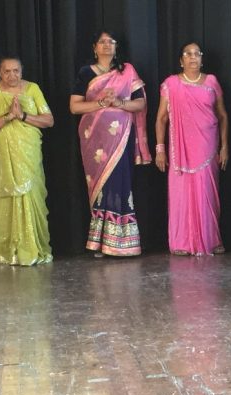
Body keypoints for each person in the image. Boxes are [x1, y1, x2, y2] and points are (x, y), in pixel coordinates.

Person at [70, 30, 151, 257]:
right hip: (94, 141)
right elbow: (75, 107)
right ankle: (101, 243)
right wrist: (100, 104)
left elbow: (140, 104)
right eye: (102, 42)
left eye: (111, 42)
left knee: (121, 183)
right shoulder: (86, 73)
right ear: (94, 47)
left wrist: (118, 102)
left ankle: (123, 242)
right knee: (101, 186)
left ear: (116, 47)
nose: (106, 45)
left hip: (121, 138)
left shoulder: (127, 71)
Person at [0, 56, 54, 266]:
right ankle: (9, 250)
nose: (13, 75)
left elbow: (48, 120)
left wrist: (22, 117)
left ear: (22, 71)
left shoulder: (33, 89)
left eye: (16, 71)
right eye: (7, 71)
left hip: (28, 153)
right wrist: (7, 117)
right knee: (5, 197)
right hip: (2, 156)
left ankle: (33, 247)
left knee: (31, 195)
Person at [155, 42, 229, 256]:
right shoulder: (170, 84)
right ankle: (181, 242)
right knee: (181, 194)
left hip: (208, 147)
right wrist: (160, 149)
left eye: (197, 53)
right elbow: (161, 118)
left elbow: (223, 116)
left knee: (207, 193)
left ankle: (211, 239)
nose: (193, 57)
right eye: (188, 53)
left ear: (202, 58)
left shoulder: (212, 82)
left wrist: (225, 147)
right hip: (180, 151)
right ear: (181, 60)